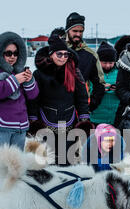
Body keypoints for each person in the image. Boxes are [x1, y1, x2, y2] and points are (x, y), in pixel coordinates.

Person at [28, 35, 91, 165]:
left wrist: (84, 119)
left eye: (66, 54)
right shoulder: (39, 74)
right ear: (51, 55)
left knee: (67, 158)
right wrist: (33, 119)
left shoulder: (74, 72)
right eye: (59, 54)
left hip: (68, 120)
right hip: (45, 121)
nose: (63, 58)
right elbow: (33, 99)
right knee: (46, 159)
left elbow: (82, 97)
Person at [0, 31, 39, 151]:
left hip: (20, 127)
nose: (12, 57)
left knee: (16, 166)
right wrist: (15, 81)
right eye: (8, 53)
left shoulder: (19, 70)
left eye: (16, 53)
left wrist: (29, 80)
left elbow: (33, 95)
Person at [65, 12, 105, 112]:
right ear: (67, 30)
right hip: (58, 109)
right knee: (59, 128)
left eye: (81, 31)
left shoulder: (90, 55)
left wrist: (91, 105)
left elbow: (99, 83)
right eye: (75, 31)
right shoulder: (58, 51)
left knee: (80, 129)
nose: (78, 34)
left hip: (80, 110)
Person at [89, 41, 119, 126]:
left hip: (115, 117)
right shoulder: (92, 73)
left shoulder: (119, 73)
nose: (108, 66)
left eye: (111, 63)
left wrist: (118, 89)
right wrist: (99, 89)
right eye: (104, 63)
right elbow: (87, 91)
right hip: (96, 118)